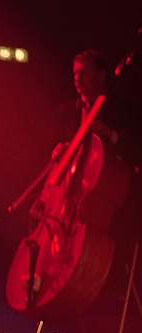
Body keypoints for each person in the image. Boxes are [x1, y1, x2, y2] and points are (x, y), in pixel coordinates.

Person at [50, 49, 142, 301]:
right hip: (73, 191)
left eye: (84, 73)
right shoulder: (65, 113)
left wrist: (113, 136)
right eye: (75, 74)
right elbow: (48, 148)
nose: (78, 79)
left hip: (115, 194)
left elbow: (137, 149)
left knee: (118, 225)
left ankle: (110, 285)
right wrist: (57, 151)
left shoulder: (124, 109)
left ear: (102, 75)